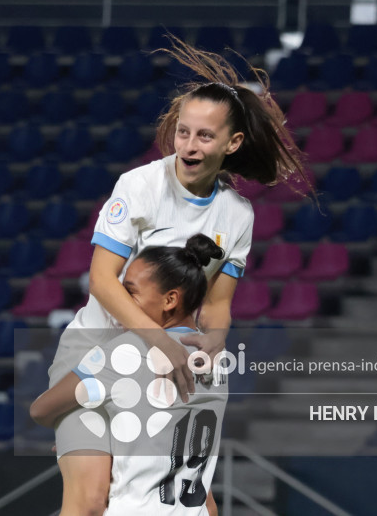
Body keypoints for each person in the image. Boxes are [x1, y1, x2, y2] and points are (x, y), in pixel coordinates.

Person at [47, 34, 309, 516]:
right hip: (96, 353)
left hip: (166, 369)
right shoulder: (140, 185)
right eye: (183, 132)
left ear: (232, 143)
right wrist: (159, 343)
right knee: (90, 501)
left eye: (204, 136)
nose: (189, 145)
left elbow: (218, 304)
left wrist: (214, 342)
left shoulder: (237, 215)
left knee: (193, 502)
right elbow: (102, 281)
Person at [32, 235, 227, 515]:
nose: (120, 303)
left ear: (170, 299)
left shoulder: (127, 352)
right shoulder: (216, 360)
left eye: (130, 292)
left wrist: (76, 432)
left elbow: (42, 409)